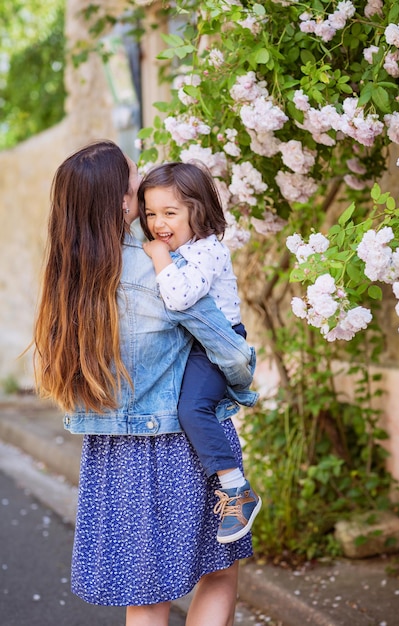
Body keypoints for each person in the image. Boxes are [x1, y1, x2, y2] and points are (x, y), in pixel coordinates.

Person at [32, 140, 259, 626]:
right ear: (121, 201)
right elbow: (228, 348)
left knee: (146, 596)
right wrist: (241, 380)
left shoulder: (69, 272)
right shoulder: (163, 262)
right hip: (180, 444)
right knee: (218, 572)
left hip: (113, 455)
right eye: (134, 180)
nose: (141, 181)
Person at [138, 162, 261, 544]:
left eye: (170, 213)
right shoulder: (183, 246)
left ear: (199, 211)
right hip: (193, 345)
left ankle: (237, 489)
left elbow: (178, 298)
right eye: (150, 213)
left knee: (192, 408)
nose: (158, 223)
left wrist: (158, 256)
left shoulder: (208, 251)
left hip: (214, 346)